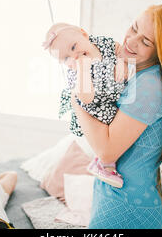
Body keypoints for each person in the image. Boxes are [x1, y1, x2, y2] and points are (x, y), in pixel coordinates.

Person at [70, 4, 162, 229]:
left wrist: (76, 99)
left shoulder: (148, 87)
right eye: (134, 27)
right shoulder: (143, 75)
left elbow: (106, 150)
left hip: (125, 210)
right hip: (121, 201)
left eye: (146, 41)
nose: (131, 40)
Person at [43, 23, 131, 188]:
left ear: (84, 34)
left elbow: (119, 48)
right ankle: (104, 165)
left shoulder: (102, 43)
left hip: (113, 94)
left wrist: (121, 62)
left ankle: (105, 160)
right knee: (111, 124)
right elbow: (86, 99)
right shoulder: (75, 72)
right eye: (66, 58)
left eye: (74, 46)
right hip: (96, 106)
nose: (74, 56)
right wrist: (83, 69)